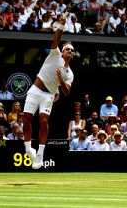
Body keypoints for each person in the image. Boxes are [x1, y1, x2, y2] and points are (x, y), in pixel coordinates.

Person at [23, 16, 74, 169]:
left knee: (44, 121)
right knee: (26, 119)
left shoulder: (70, 73)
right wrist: (62, 25)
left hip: (48, 96)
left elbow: (66, 92)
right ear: (62, 52)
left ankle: (40, 154)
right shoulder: (54, 54)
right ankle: (28, 150)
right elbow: (56, 38)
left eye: (72, 50)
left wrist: (60, 79)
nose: (70, 51)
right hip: (35, 90)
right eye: (68, 49)